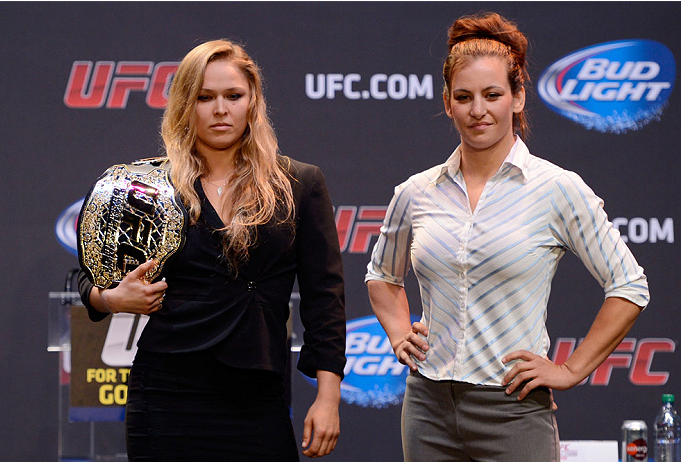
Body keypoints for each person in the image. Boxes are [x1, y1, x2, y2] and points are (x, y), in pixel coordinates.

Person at [365, 12, 649, 462]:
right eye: (464, 97)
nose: (478, 110)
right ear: (447, 103)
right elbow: (381, 275)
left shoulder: (557, 188)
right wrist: (400, 334)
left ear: (517, 98)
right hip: (427, 409)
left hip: (514, 412)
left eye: (492, 94)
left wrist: (570, 370)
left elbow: (629, 286)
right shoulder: (416, 192)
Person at [78, 39, 346, 461]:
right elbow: (88, 278)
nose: (220, 109)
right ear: (186, 104)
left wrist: (328, 396)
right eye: (205, 97)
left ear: (252, 102)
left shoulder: (299, 184)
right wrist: (111, 298)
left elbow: (324, 298)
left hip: (257, 397)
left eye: (233, 96)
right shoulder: (147, 188)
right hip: (166, 395)